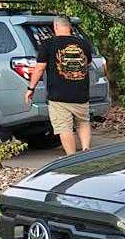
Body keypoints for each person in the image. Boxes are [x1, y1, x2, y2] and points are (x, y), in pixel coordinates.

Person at [26, 16, 94, 155]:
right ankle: (86, 150)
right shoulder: (84, 44)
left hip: (59, 96)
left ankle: (71, 157)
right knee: (83, 122)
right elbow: (86, 64)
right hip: (81, 93)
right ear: (69, 27)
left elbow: (39, 69)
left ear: (55, 27)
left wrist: (30, 88)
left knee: (64, 127)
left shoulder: (48, 44)